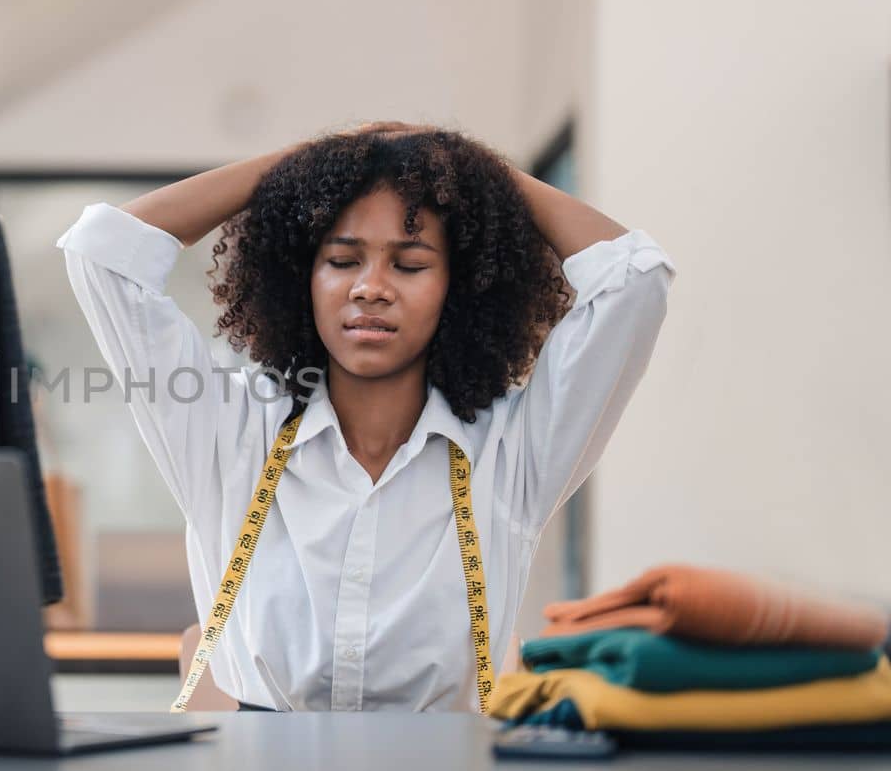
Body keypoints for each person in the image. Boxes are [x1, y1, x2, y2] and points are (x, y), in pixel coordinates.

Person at [56, 122, 676, 712]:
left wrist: (473, 175)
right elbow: (104, 251)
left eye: (409, 264)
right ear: (303, 277)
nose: (371, 287)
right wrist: (315, 160)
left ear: (457, 289)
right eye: (343, 260)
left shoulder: (510, 452)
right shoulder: (229, 431)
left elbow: (635, 277)